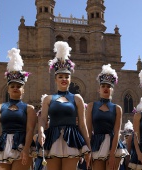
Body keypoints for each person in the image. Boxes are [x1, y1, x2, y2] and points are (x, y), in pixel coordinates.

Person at [38, 41, 91, 170]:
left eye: (66, 76)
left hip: (72, 139)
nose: (63, 79)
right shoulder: (48, 99)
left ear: (70, 79)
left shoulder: (77, 98)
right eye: (60, 76)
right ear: (55, 79)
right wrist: (40, 132)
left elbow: (83, 125)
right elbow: (43, 119)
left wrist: (88, 147)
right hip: (52, 139)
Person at [0, 48, 37, 170]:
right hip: (4, 146)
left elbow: (30, 130)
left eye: (18, 86)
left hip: (22, 144)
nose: (15, 88)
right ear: (8, 89)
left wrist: (25, 149)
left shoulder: (29, 108)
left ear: (23, 89)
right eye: (12, 86)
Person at [86, 64, 128, 170]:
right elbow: (88, 130)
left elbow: (117, 131)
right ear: (98, 89)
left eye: (108, 86)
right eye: (103, 86)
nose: (106, 88)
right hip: (96, 144)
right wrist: (88, 150)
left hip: (114, 146)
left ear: (112, 89)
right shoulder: (91, 106)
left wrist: (112, 154)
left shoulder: (117, 108)